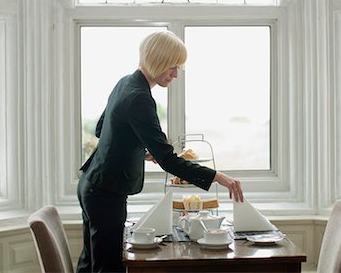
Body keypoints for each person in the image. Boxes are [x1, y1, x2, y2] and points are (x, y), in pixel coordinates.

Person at [76, 31, 244, 272]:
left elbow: (103, 130)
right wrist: (219, 177)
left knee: (91, 262)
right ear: (158, 61)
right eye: (173, 66)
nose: (176, 74)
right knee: (107, 267)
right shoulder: (140, 98)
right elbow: (168, 161)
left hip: (91, 184)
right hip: (105, 192)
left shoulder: (125, 82)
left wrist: (141, 152)